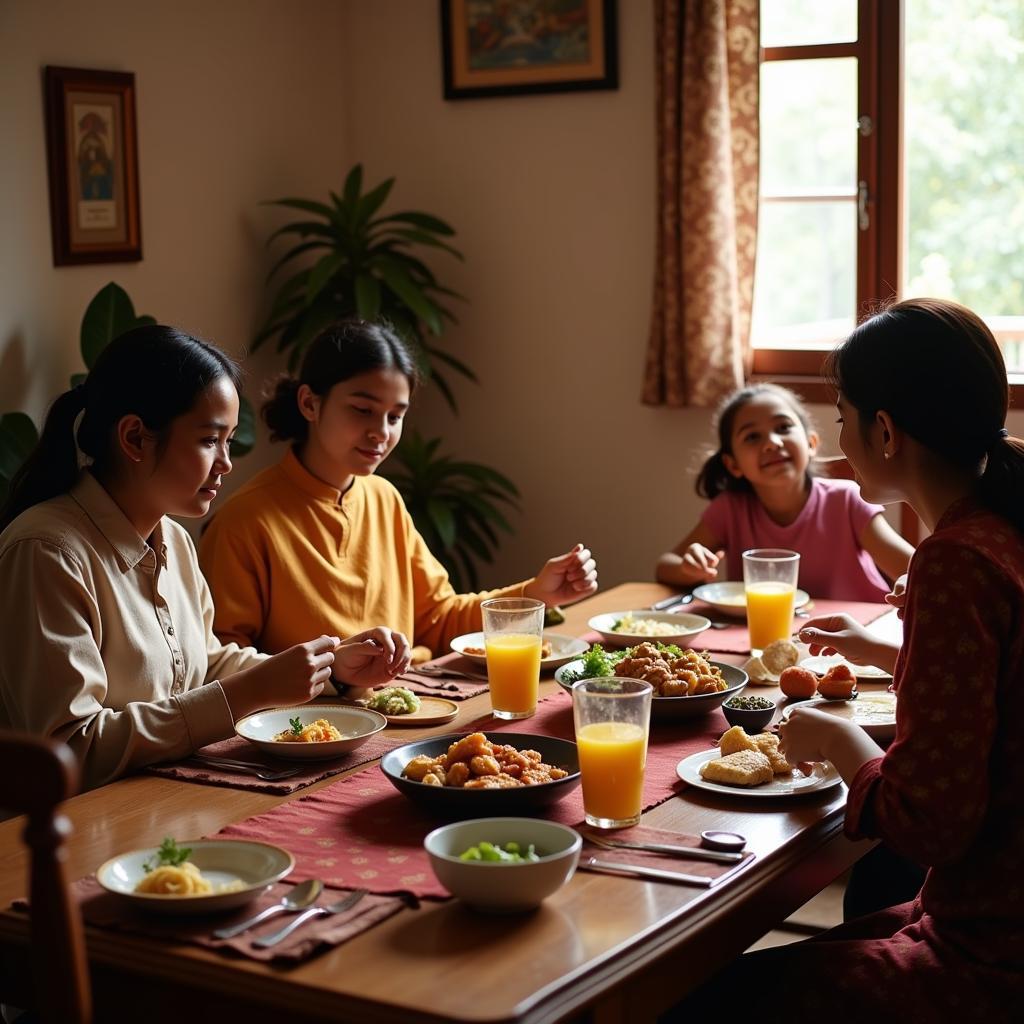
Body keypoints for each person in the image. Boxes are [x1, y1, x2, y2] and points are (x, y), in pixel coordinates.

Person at [667, 299, 1024, 1021]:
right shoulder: (1000, 529)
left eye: (841, 416)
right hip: (986, 914)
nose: (837, 436)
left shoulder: (955, 561)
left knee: (679, 999)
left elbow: (929, 823)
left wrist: (833, 736)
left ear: (885, 431)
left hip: (988, 956)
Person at [0, 326, 410, 791]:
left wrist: (332, 667)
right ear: (135, 438)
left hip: (172, 800)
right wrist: (243, 696)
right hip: (74, 831)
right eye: (209, 441)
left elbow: (203, 667)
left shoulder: (172, 537)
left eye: (229, 441)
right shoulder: (46, 553)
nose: (226, 463)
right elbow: (71, 749)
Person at [199, 320, 598, 666]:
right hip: (313, 734)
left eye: (395, 416)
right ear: (310, 403)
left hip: (414, 706)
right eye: (362, 410)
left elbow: (439, 618)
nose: (381, 433)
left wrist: (535, 595)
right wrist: (333, 673)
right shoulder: (245, 520)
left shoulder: (383, 498)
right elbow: (225, 663)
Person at [655, 383, 913, 600]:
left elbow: (917, 569)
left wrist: (907, 585)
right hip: (761, 643)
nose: (772, 443)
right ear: (733, 464)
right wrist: (688, 569)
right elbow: (665, 566)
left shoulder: (847, 502)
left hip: (851, 644)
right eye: (752, 437)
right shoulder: (730, 510)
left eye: (783, 428)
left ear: (811, 443)